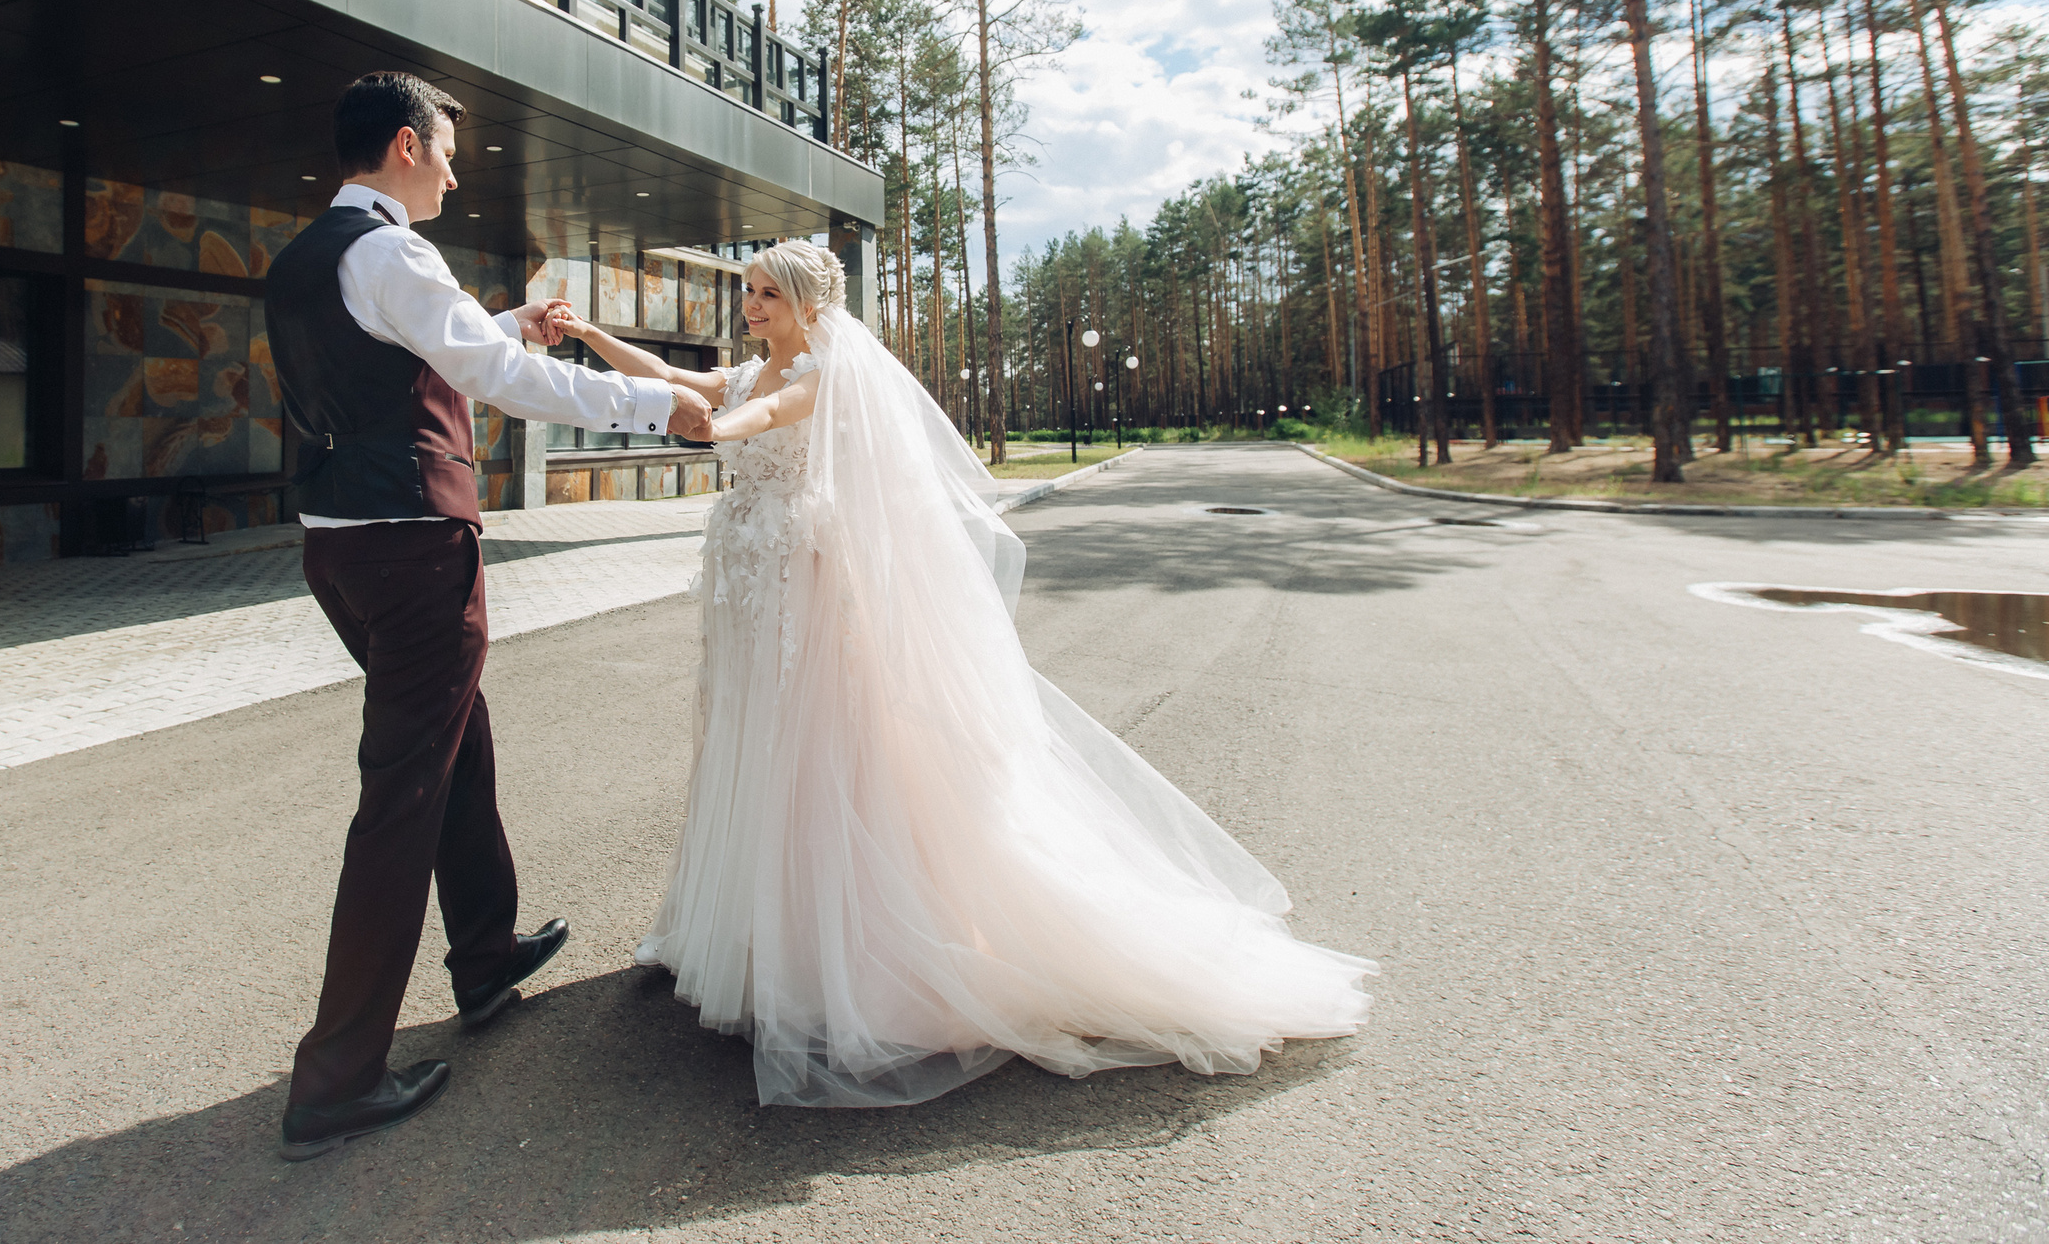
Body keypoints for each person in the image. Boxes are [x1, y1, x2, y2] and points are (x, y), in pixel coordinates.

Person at [555, 239, 1374, 1107]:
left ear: (806, 305)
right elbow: (671, 379)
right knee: (749, 745)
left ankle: (838, 955)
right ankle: (760, 938)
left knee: (814, 753)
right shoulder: (751, 370)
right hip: (754, 595)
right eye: (749, 292)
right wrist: (591, 335)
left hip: (802, 593)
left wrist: (714, 427)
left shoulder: (820, 379)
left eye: (767, 294)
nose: (751, 305)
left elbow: (762, 417)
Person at [263, 72, 713, 1160]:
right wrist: (655, 401)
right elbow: (496, 376)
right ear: (408, 144)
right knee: (403, 790)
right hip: (414, 544)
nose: (458, 169)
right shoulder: (393, 251)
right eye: (451, 150)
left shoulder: (305, 257)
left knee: (455, 741)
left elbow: (421, 353)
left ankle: (486, 950)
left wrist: (511, 321)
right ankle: (334, 1077)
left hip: (339, 543)